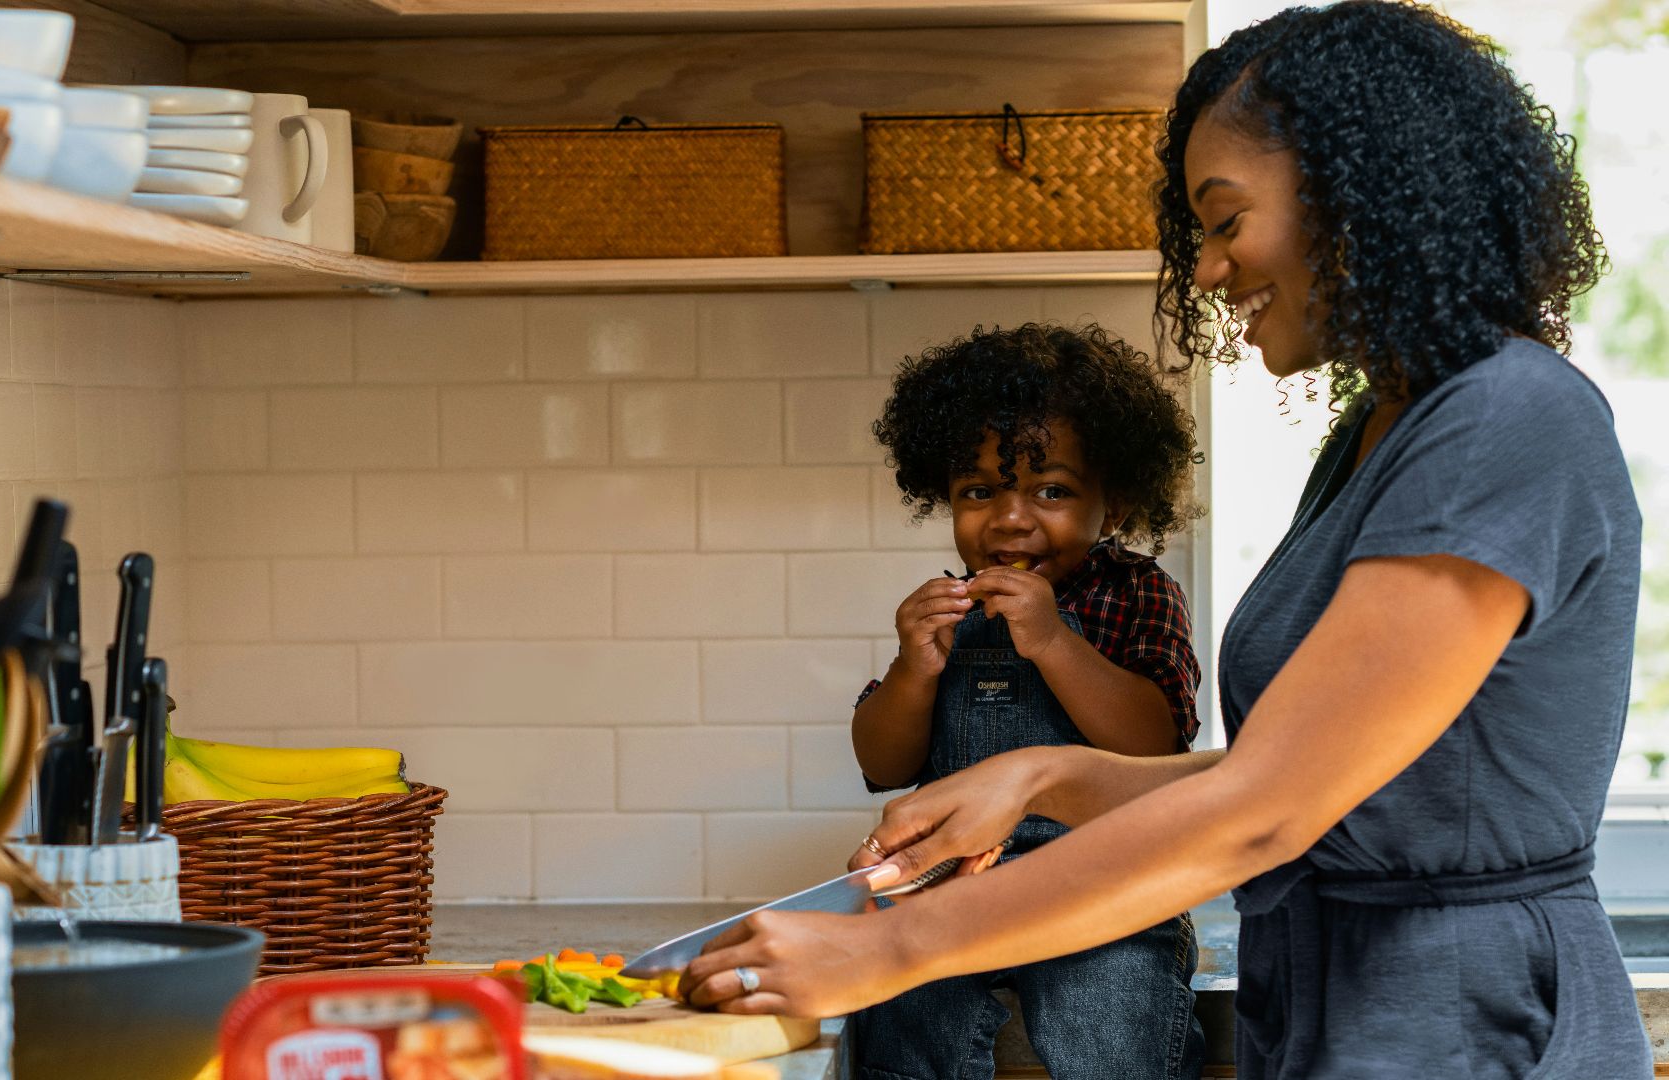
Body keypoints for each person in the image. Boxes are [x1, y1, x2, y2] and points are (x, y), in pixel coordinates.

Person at [678, 4, 1652, 1078]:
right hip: (1353, 1007)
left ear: (1354, 198)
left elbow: (1264, 814)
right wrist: (1043, 776)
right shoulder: (1379, 433)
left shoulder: (1506, 420)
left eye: (1226, 220)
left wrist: (889, 948)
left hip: (1466, 1022)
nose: (1208, 270)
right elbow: (1310, 779)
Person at [849, 321, 1204, 1080]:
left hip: (1106, 890)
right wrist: (913, 672)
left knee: (1111, 1013)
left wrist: (1052, 641)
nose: (1009, 518)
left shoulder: (1138, 592)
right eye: (979, 491)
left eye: (1052, 490)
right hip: (954, 882)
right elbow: (883, 763)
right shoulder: (951, 610)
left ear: (1116, 503)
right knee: (897, 1008)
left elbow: (1158, 747)